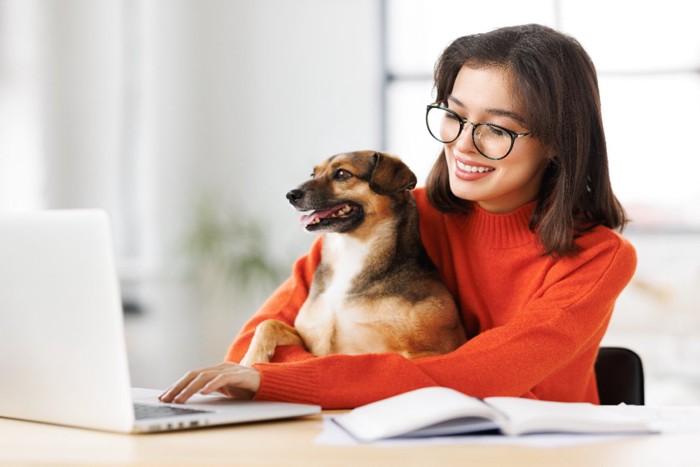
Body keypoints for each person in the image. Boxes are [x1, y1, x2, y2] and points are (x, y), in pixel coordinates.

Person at [160, 24, 636, 408]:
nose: (463, 144)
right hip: (391, 439)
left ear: (557, 143)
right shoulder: (401, 213)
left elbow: (473, 374)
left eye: (496, 129)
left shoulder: (598, 258)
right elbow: (255, 342)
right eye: (453, 115)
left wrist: (289, 380)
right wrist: (287, 377)